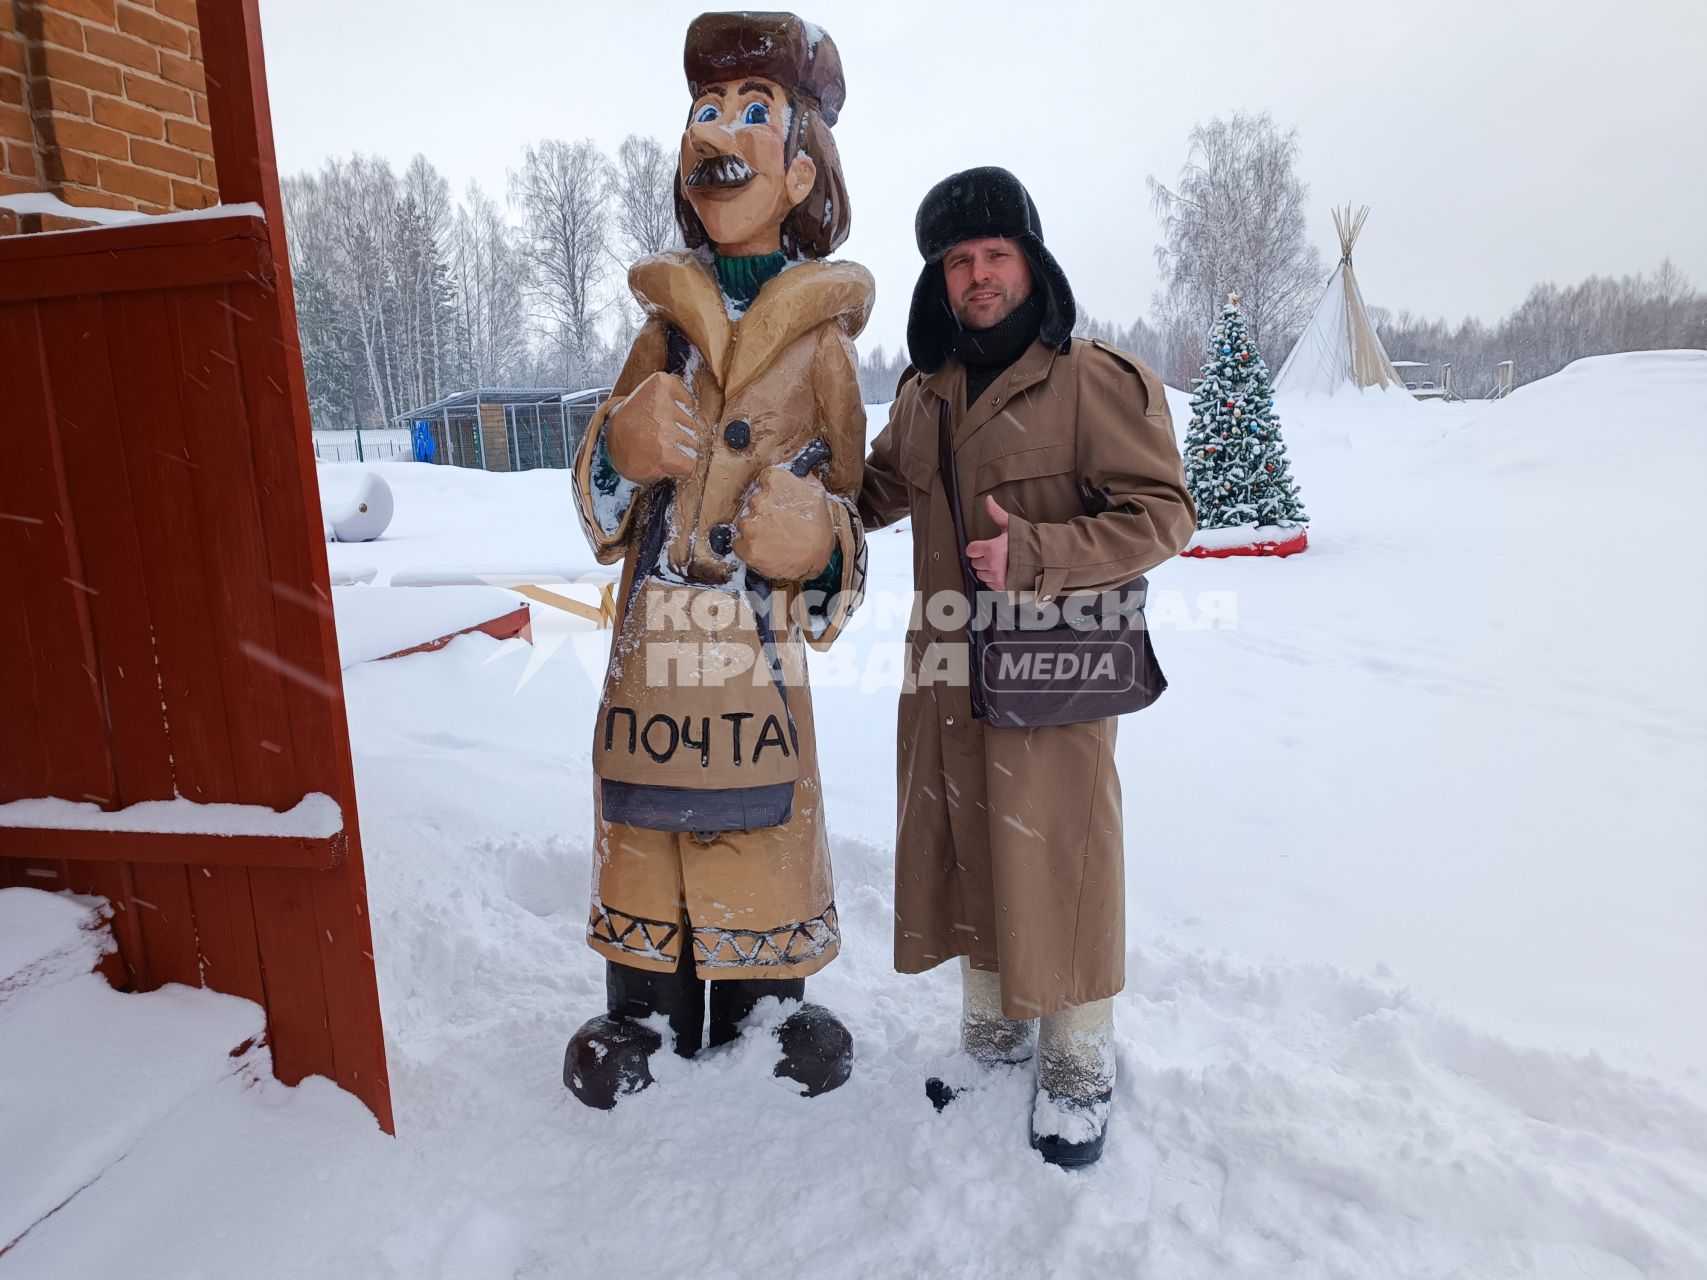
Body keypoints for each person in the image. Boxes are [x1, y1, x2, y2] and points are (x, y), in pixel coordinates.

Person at [563, 11, 872, 1109]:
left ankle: (763, 1000)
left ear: (800, 172)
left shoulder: (825, 347)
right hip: (657, 642)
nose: (719, 136)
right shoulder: (663, 330)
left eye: (753, 113)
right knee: (647, 818)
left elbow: (853, 500)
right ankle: (642, 997)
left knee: (760, 817)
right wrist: (620, 448)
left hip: (755, 648)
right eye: (706, 111)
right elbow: (598, 497)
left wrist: (821, 543)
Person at [858, 167, 1196, 1165]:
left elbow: (1165, 514)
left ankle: (1080, 1062)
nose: (977, 275)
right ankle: (996, 1037)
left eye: (994, 254)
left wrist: (1038, 557)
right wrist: (811, 494)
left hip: (1056, 670)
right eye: (958, 261)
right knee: (970, 848)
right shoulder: (926, 394)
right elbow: (876, 487)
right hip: (944, 675)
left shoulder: (1096, 381)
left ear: (1031, 262)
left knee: (1060, 857)